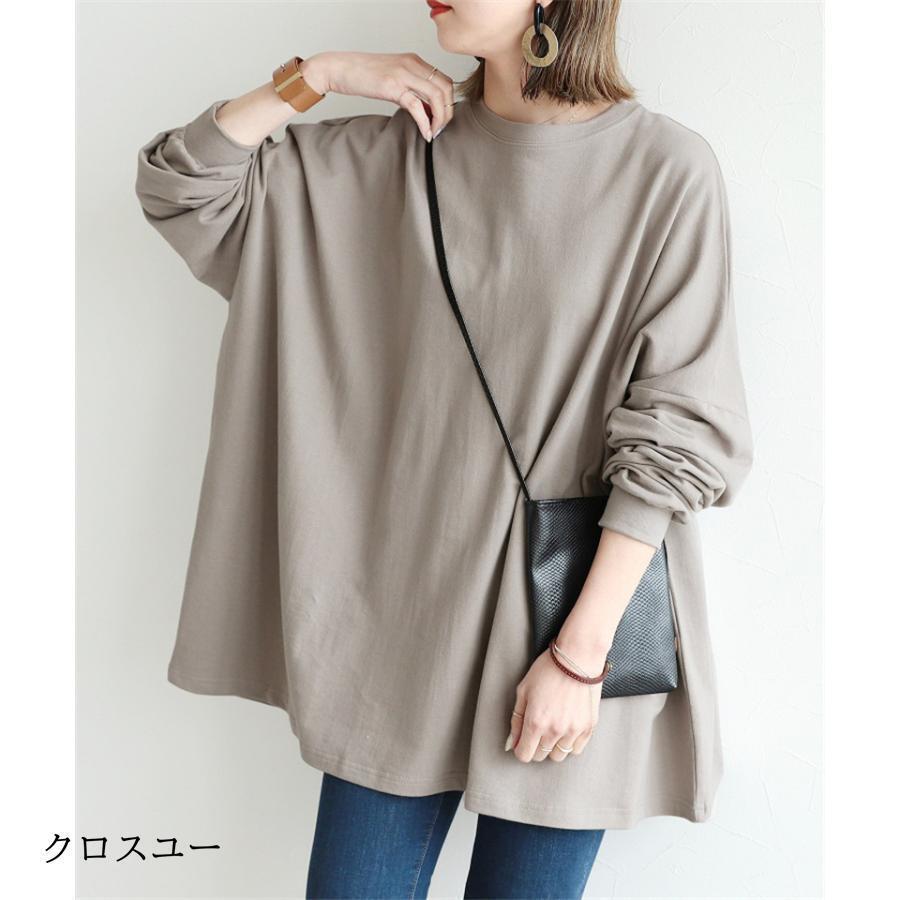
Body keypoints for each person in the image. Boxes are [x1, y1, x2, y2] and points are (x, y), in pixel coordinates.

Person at [134, 1, 754, 897]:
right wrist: (320, 76)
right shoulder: (389, 156)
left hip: (572, 620)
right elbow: (182, 187)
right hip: (402, 630)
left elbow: (680, 426)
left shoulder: (665, 171)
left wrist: (581, 656)